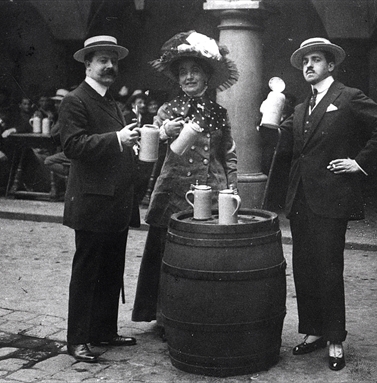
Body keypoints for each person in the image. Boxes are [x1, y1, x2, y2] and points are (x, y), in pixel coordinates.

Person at [278, 37, 377, 371]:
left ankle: (334, 340)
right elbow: (286, 144)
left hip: (331, 199)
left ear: (331, 65)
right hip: (301, 198)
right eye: (304, 62)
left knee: (329, 269)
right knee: (303, 267)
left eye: (315, 60)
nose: (309, 66)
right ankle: (313, 331)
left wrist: (358, 162)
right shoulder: (301, 107)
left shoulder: (347, 97)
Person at [131, 31, 239, 327]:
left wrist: (232, 187)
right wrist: (165, 131)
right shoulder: (167, 110)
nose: (189, 77)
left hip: (211, 192)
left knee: (206, 257)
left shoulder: (219, 113)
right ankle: (166, 317)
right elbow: (147, 144)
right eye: (183, 73)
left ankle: (204, 315)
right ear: (177, 80)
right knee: (168, 256)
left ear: (206, 77)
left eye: (194, 71)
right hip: (174, 192)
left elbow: (228, 153)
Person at [57, 35, 141, 363]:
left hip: (115, 200)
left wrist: (127, 143)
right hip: (92, 201)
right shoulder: (76, 100)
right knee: (87, 272)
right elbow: (73, 146)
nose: (109, 66)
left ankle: (104, 330)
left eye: (114, 61)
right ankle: (77, 339)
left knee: (111, 269)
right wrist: (117, 139)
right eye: (102, 60)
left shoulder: (110, 102)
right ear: (87, 63)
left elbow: (109, 144)